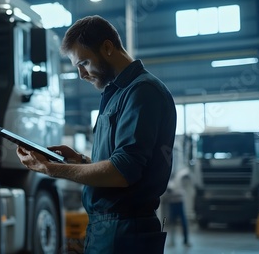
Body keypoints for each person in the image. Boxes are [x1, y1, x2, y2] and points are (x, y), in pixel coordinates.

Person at [16, 15, 177, 253]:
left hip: (125, 233)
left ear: (107, 47)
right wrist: (79, 161)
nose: (81, 74)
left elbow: (123, 172)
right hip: (108, 229)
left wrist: (51, 169)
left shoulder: (142, 92)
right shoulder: (116, 94)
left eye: (84, 63)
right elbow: (118, 164)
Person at [162, 167, 191, 247]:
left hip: (179, 203)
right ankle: (172, 241)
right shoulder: (169, 182)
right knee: (172, 223)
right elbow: (166, 193)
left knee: (183, 223)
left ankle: (185, 240)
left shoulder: (179, 179)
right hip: (172, 204)